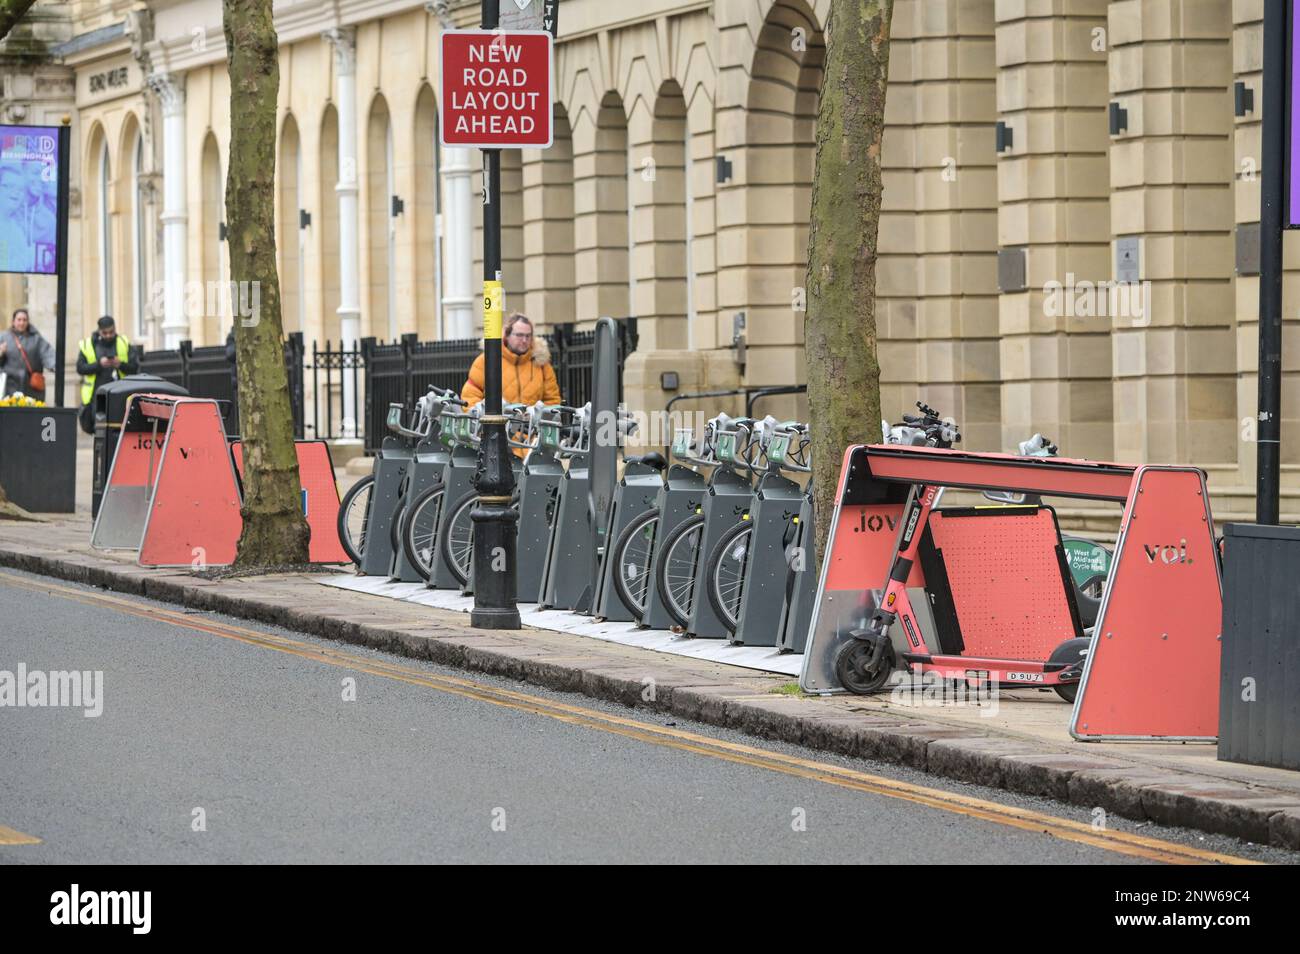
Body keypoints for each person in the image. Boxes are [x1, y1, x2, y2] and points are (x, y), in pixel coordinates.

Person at [461, 312, 562, 408]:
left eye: (528, 336)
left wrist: (541, 419)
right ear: (507, 336)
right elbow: (470, 396)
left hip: (532, 425)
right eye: (519, 335)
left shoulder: (541, 362)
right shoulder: (487, 360)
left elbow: (552, 399)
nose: (524, 340)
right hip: (497, 424)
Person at [76, 316, 138, 433]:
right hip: (97, 396)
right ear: (99, 331)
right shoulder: (88, 345)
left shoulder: (123, 343)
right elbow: (80, 368)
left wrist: (120, 364)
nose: (109, 336)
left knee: (119, 429)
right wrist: (99, 365)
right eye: (105, 333)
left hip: (120, 394)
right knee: (100, 429)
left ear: (115, 329)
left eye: (111, 332)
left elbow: (135, 368)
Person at [0, 308, 56, 402]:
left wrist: (54, 365)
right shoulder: (3, 337)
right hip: (11, 387)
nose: (22, 323)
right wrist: (1, 353)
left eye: (24, 320)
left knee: (31, 414)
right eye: (19, 320)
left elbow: (47, 353)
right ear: (13, 321)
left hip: (31, 387)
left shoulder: (36, 339)